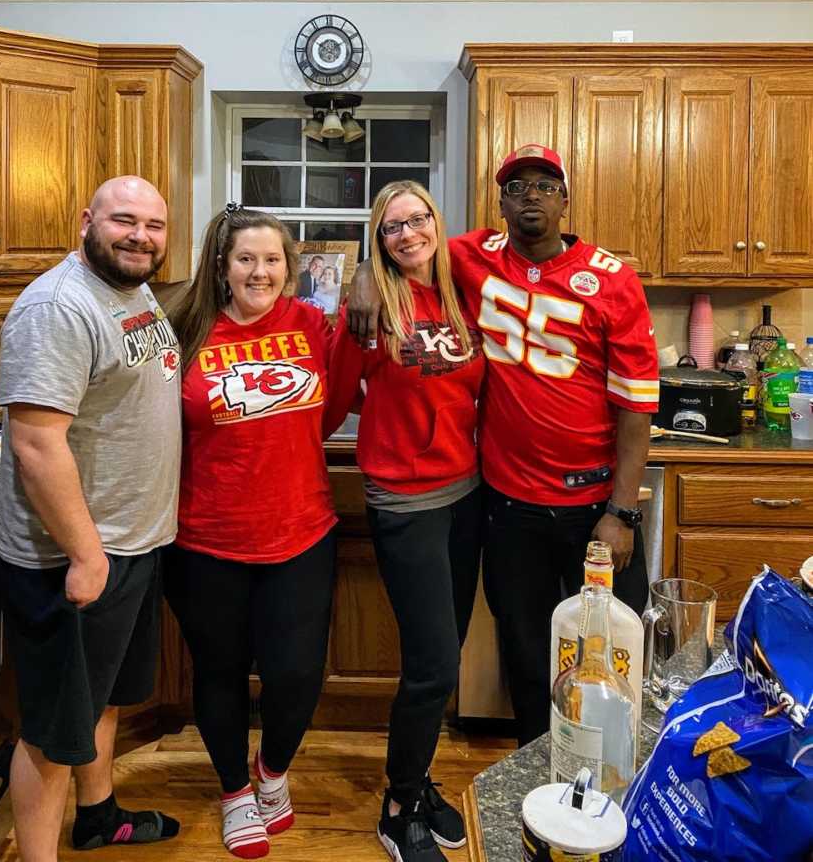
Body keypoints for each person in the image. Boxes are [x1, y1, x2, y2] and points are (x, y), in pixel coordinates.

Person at [347, 145, 659, 745]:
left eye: (545, 185)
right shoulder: (472, 255)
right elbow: (402, 248)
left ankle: (616, 771)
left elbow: (636, 406)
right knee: (525, 649)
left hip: (594, 506)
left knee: (616, 650)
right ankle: (535, 767)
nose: (531, 196)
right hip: (509, 504)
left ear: (565, 200)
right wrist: (364, 271)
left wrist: (621, 512)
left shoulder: (613, 281)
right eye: (518, 188)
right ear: (502, 203)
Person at [0, 176, 182, 862]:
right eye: (124, 220)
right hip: (72, 556)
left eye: (154, 225)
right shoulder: (57, 306)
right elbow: (36, 442)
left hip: (126, 542)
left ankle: (99, 816)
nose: (140, 236)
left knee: (97, 705)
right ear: (86, 222)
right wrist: (85, 555)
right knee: (51, 732)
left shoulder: (128, 291)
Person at [164, 204, 336, 860]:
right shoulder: (185, 329)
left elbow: (346, 386)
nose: (259, 271)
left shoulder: (311, 323)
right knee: (220, 671)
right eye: (246, 259)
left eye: (272, 260)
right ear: (222, 265)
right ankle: (235, 791)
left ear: (289, 268)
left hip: (301, 531)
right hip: (206, 539)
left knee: (297, 676)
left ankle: (272, 772)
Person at [325, 181, 484, 862]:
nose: (408, 233)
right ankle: (398, 805)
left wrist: (365, 264)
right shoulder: (367, 311)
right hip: (405, 502)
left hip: (468, 493)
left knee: (444, 658)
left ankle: (417, 785)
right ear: (378, 238)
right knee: (432, 663)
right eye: (391, 227)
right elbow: (331, 401)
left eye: (418, 218)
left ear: (435, 223)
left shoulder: (463, 288)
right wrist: (361, 277)